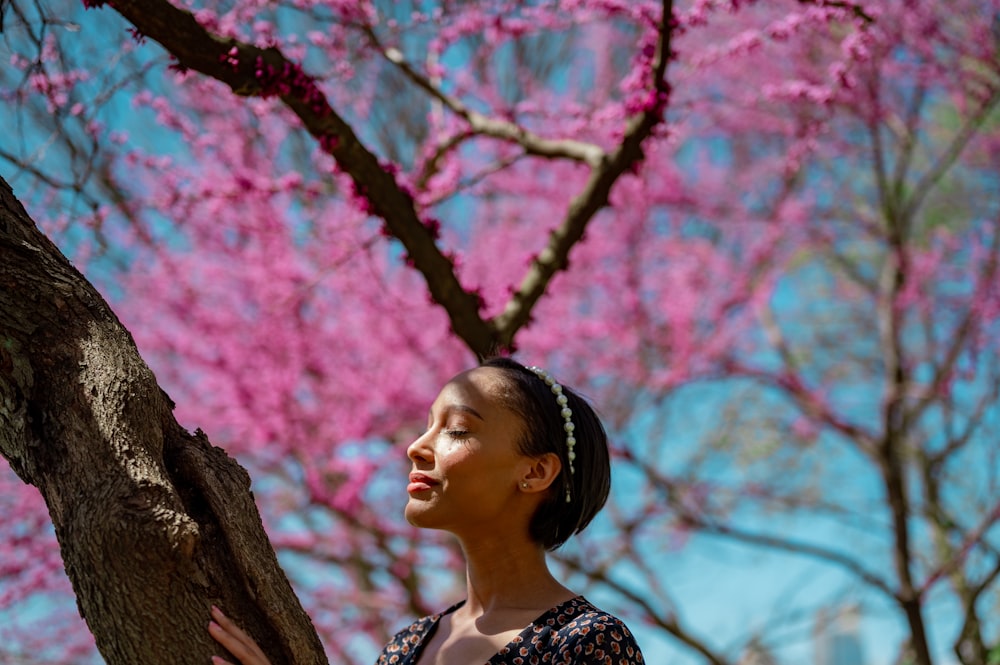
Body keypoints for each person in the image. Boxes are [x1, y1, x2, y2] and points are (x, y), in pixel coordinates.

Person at [209, 357, 645, 664]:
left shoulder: (587, 643)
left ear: (535, 471)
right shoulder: (406, 647)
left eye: (456, 430)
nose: (416, 447)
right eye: (427, 425)